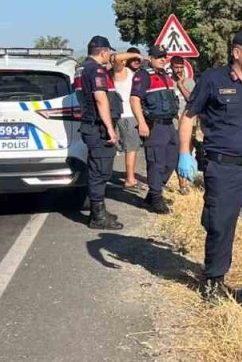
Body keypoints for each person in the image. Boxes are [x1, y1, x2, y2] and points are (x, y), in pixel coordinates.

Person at [176, 27, 242, 310]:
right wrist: (184, 153)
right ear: (236, 52)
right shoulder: (212, 80)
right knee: (220, 227)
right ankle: (213, 283)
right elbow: (188, 116)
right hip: (223, 168)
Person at [76, 36, 124, 230]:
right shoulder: (95, 70)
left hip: (92, 126)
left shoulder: (82, 68)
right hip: (98, 128)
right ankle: (98, 216)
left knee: (97, 168)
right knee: (100, 171)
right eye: (109, 52)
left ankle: (98, 210)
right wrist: (110, 129)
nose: (110, 55)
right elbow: (100, 99)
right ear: (103, 52)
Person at [130, 45, 180, 214]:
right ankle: (156, 199)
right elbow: (134, 100)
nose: (162, 59)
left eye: (164, 56)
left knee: (172, 160)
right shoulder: (143, 75)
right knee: (156, 162)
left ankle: (153, 193)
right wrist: (141, 123)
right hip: (155, 125)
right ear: (150, 58)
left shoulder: (165, 75)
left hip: (169, 124)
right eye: (158, 57)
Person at [112, 47, 144, 194]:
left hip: (132, 115)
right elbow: (116, 58)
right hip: (126, 115)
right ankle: (130, 179)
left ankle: (130, 178)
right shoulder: (122, 72)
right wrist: (138, 55)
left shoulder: (135, 74)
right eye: (134, 59)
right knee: (130, 149)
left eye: (138, 60)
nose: (137, 61)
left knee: (133, 148)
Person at [170, 56, 196, 194]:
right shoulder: (168, 82)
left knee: (187, 152)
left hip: (188, 123)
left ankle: (185, 179)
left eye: (181, 67)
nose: (179, 70)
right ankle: (182, 184)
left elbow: (193, 100)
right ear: (172, 67)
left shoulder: (190, 82)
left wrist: (181, 85)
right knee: (176, 153)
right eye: (176, 67)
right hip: (173, 124)